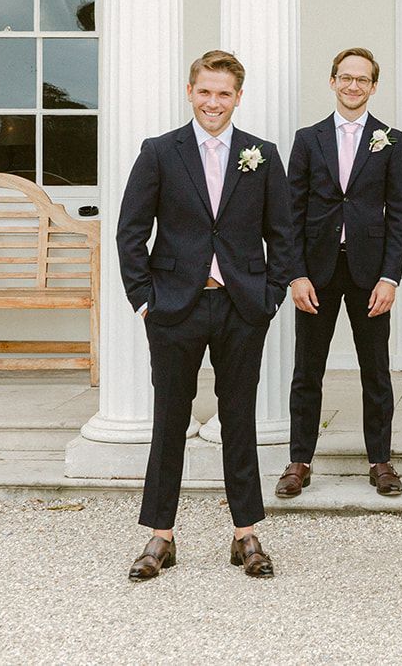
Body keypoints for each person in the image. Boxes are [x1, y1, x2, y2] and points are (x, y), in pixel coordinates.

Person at [116, 49, 293, 582]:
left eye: (224, 93)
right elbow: (130, 231)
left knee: (238, 416)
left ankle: (246, 534)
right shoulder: (159, 152)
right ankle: (160, 536)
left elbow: (282, 233)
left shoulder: (261, 154)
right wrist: (144, 299)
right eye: (205, 91)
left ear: (238, 97)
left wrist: (269, 297)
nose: (213, 102)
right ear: (190, 92)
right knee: (170, 417)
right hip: (174, 306)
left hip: (241, 306)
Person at [278, 47, 402, 499]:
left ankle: (381, 461)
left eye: (363, 79)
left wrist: (390, 278)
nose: (353, 86)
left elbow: (399, 215)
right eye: (345, 77)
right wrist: (294, 275)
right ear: (332, 81)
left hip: (369, 276)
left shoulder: (390, 141)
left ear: (374, 87)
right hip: (316, 275)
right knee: (307, 371)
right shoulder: (308, 139)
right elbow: (289, 214)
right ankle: (299, 460)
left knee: (376, 371)